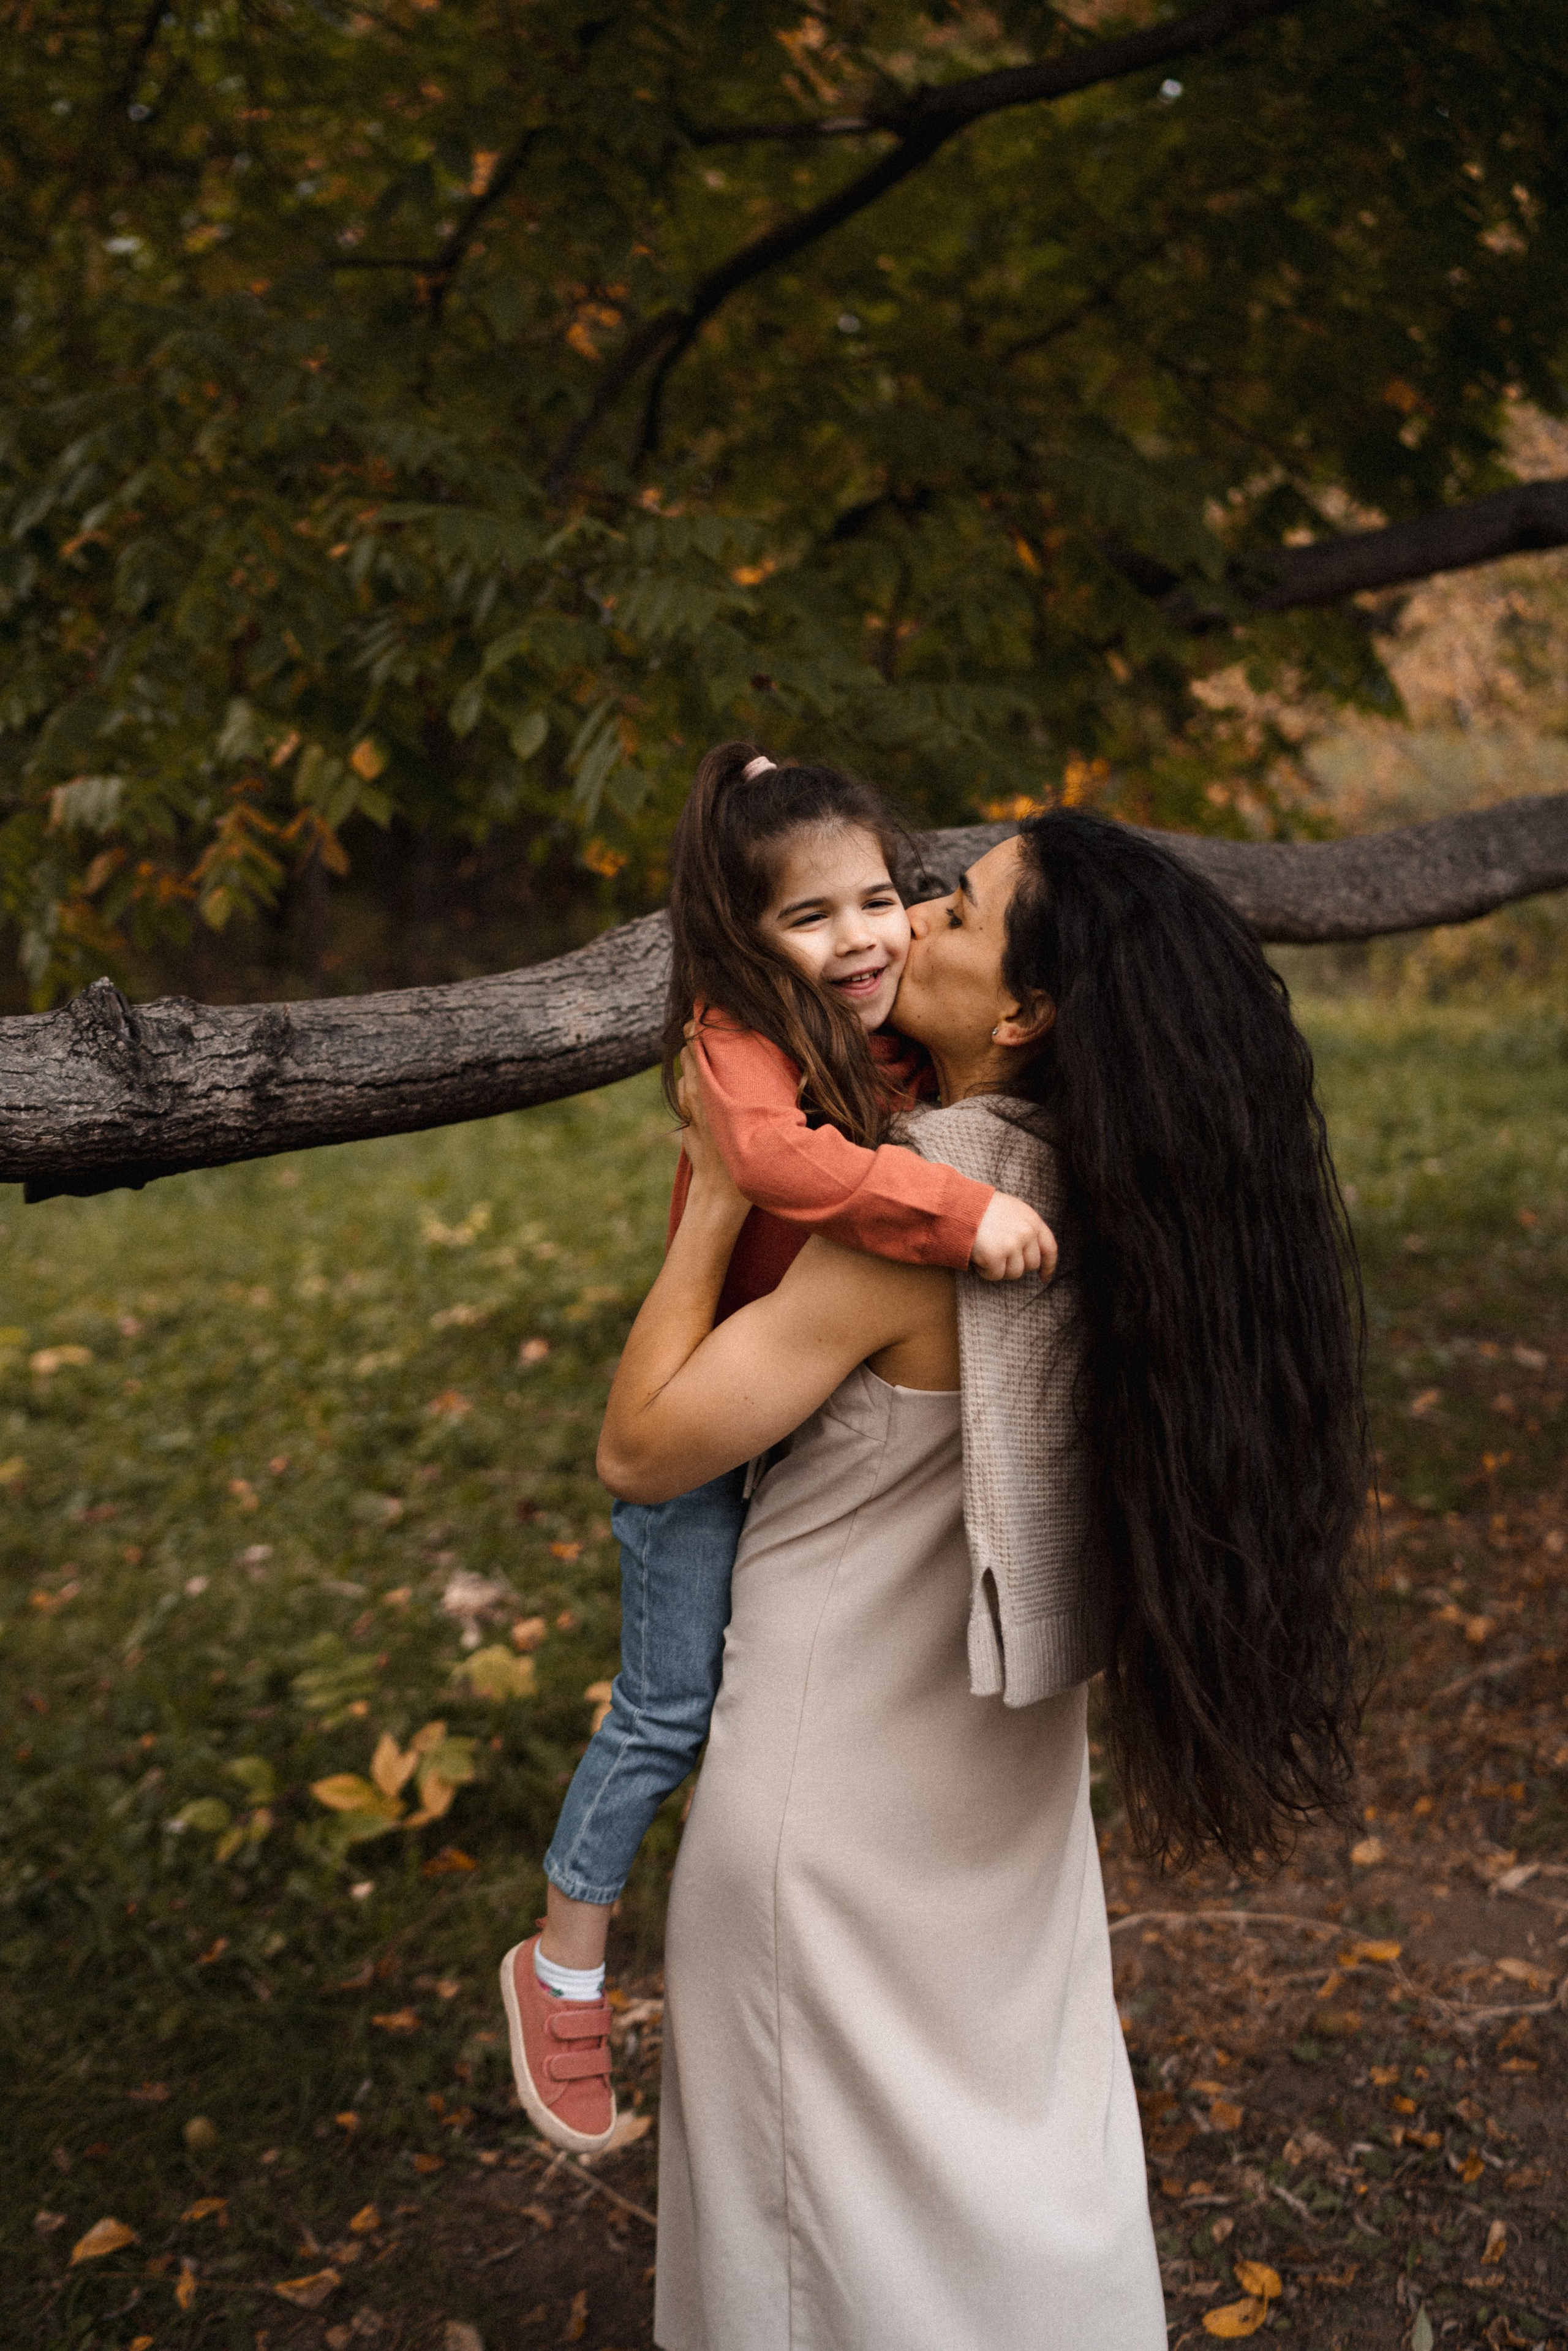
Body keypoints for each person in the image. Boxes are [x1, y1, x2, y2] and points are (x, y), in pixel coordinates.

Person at [596, 810, 1365, 2351]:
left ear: (1022, 1015)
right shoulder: (1125, 1188)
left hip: (831, 1797)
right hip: (999, 1790)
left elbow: (644, 1448)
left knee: (821, 2243)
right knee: (1016, 2169)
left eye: (957, 913)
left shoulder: (923, 1201)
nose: (915, 915)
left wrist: (725, 1182)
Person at [500, 744, 1057, 2154]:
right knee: (665, 1701)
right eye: (811, 918)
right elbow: (790, 1169)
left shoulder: (877, 1029)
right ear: (741, 940)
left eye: (884, 897)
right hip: (706, 1413)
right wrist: (953, 1212)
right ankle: (563, 1955)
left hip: (786, 1417)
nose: (866, 937)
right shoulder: (736, 1038)